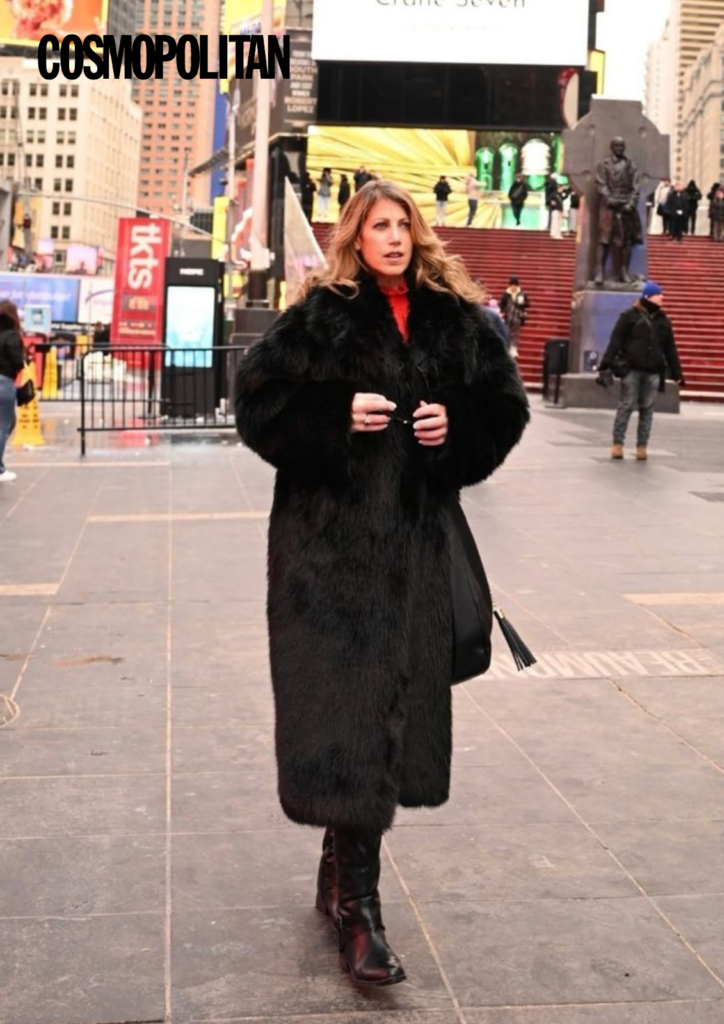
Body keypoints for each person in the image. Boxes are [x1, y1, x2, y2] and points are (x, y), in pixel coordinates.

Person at [234, 180, 529, 989]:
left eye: (403, 224)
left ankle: (342, 872)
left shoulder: (457, 321)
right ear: (355, 239)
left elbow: (504, 410)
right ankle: (360, 913)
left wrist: (456, 427)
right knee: (351, 720)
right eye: (378, 226)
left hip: (415, 563)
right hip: (328, 562)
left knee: (381, 723)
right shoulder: (321, 316)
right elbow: (255, 402)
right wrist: (334, 414)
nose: (393, 237)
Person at [598, 281, 683, 462]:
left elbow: (670, 349)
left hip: (653, 373)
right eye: (659, 294)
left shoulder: (663, 321)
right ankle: (617, 444)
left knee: (647, 410)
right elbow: (616, 341)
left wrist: (677, 373)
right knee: (626, 406)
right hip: (631, 371)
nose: (662, 297)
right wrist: (605, 364)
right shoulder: (629, 316)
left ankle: (642, 447)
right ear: (648, 296)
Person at [594, 137, 643, 284]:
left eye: (622, 146)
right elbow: (601, 184)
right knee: (604, 239)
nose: (619, 148)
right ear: (611, 147)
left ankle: (624, 272)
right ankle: (599, 272)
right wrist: (609, 199)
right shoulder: (604, 165)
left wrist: (631, 203)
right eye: (616, 146)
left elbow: (636, 187)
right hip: (608, 206)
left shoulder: (631, 166)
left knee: (626, 242)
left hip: (625, 206)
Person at [0, 300, 27, 483]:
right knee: (4, 425)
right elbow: (18, 362)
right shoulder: (11, 336)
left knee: (9, 423)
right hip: (3, 382)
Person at [499, 275, 530, 357]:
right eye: (512, 285)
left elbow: (528, 304)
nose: (513, 287)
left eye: (515, 285)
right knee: (507, 332)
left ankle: (514, 348)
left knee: (516, 333)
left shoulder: (522, 294)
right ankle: (507, 347)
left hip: (517, 317)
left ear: (517, 285)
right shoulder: (506, 294)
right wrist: (501, 312)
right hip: (508, 316)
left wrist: (523, 303)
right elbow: (501, 304)